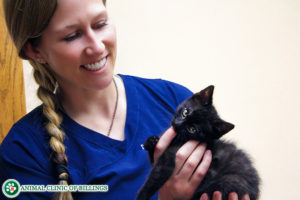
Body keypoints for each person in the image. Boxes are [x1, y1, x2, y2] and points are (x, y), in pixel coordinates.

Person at [0, 0, 251, 200]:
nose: (97, 47)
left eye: (100, 24)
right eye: (72, 36)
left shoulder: (174, 100)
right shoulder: (23, 151)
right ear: (35, 50)